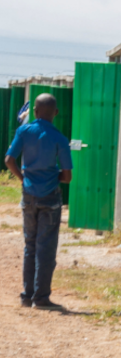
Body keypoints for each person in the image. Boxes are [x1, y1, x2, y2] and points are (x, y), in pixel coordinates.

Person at [4, 93, 71, 310]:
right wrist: (54, 177)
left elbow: (9, 160)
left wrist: (23, 179)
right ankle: (41, 298)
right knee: (46, 247)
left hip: (29, 194)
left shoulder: (24, 131)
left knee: (29, 245)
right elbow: (67, 176)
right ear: (56, 113)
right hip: (50, 196)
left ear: (34, 111)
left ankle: (26, 296)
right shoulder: (60, 138)